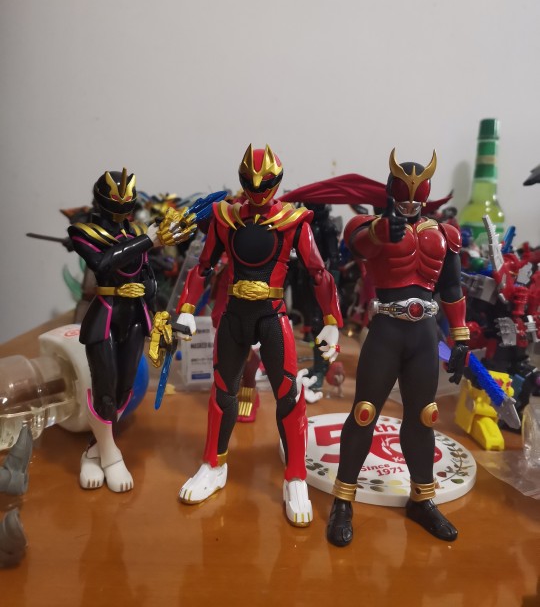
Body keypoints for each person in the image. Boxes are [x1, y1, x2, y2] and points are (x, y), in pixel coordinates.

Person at [175, 145, 343, 526]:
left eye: (263, 184)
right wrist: (185, 309)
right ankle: (213, 464)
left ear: (276, 182)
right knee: (223, 391)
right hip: (235, 313)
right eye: (249, 184)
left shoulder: (292, 220)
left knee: (288, 394)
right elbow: (203, 267)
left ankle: (295, 476)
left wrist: (332, 320)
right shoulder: (226, 217)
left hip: (272, 314)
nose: (256, 191)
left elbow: (319, 273)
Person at [326, 149, 469, 546]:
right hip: (387, 329)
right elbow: (358, 245)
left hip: (424, 333)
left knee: (424, 416)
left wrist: (460, 336)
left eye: (415, 194)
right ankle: (343, 499)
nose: (409, 202)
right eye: (402, 193)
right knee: (364, 412)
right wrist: (380, 231)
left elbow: (452, 287)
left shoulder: (444, 234)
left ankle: (422, 498)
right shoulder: (371, 226)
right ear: (390, 191)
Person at [68, 169, 194, 492]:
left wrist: (160, 315)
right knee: (105, 389)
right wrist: (148, 240)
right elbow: (103, 263)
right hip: (106, 316)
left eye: (127, 203)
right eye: (117, 203)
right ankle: (111, 457)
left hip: (135, 317)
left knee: (124, 390)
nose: (122, 210)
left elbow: (147, 276)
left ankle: (93, 452)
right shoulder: (83, 232)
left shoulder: (138, 232)